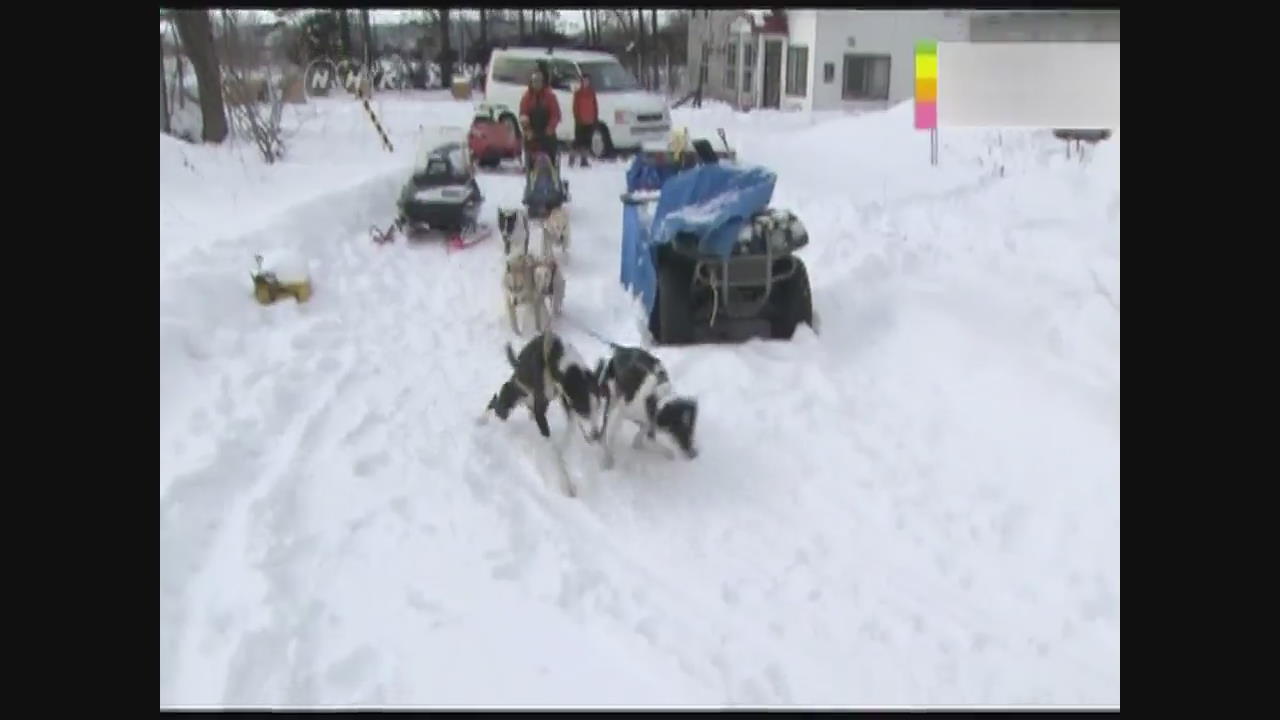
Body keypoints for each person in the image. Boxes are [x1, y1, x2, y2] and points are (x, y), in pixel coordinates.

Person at [518, 69, 561, 168]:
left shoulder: (550, 96)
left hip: (547, 132)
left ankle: (552, 170)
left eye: (538, 81)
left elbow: (556, 114)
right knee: (529, 147)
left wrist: (550, 127)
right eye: (534, 81)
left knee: (550, 152)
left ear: (543, 82)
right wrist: (527, 129)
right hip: (532, 131)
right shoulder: (527, 97)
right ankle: (530, 170)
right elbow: (523, 114)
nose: (536, 83)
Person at [570, 72, 599, 168]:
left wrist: (595, 118)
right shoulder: (578, 93)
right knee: (578, 141)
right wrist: (577, 118)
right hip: (580, 120)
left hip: (590, 120)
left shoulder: (591, 92)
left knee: (587, 141)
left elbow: (595, 106)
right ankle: (572, 157)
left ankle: (584, 159)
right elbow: (575, 107)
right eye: (584, 80)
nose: (586, 82)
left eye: (587, 81)